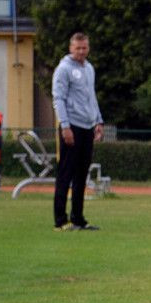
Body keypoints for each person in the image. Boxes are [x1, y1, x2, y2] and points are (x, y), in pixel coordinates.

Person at [52, 32, 104, 231]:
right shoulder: (63, 69)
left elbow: (91, 97)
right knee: (65, 173)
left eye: (84, 48)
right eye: (77, 48)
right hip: (71, 126)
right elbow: (59, 99)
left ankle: (78, 218)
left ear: (88, 47)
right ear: (70, 48)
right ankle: (60, 220)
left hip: (87, 126)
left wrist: (98, 120)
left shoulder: (89, 68)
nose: (81, 52)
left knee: (82, 175)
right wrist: (65, 126)